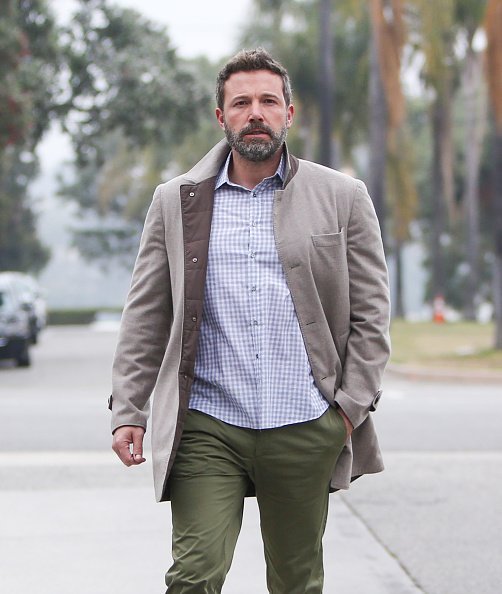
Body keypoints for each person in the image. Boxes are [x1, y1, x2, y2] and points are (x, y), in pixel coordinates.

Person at [110, 48, 391, 594]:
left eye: (268, 100)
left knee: (296, 580)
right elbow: (146, 311)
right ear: (222, 117)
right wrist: (129, 407)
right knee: (194, 575)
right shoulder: (177, 200)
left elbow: (372, 312)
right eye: (241, 103)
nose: (255, 112)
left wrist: (348, 410)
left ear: (290, 111)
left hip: (305, 422)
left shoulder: (342, 197)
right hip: (207, 423)